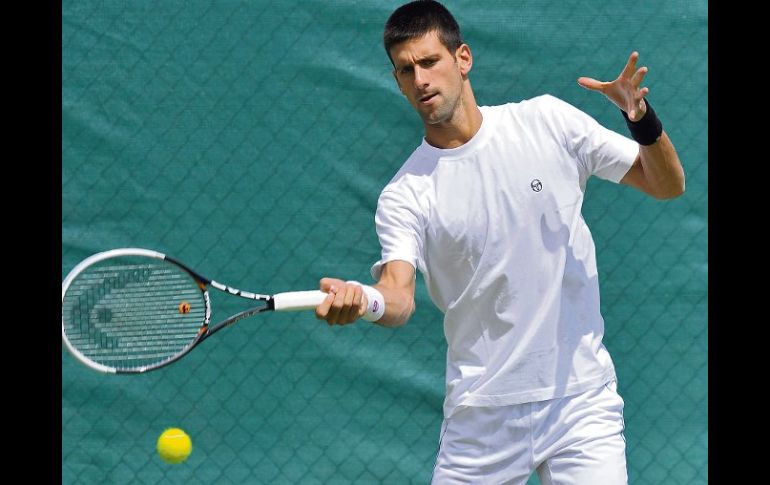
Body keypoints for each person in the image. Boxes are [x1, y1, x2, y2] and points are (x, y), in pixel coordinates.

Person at [315, 0, 685, 483]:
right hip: (481, 417)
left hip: (581, 402)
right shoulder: (405, 194)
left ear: (462, 59)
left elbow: (667, 184)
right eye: (406, 71)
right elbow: (398, 296)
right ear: (398, 83)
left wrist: (641, 119)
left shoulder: (547, 122)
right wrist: (363, 300)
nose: (421, 79)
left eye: (430, 61)